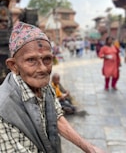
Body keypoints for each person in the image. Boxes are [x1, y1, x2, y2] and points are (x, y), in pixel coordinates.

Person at [0, 21, 105, 153]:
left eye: (47, 59)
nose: (43, 68)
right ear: (13, 66)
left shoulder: (41, 84)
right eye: (31, 60)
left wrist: (89, 148)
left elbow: (55, 115)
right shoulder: (3, 110)